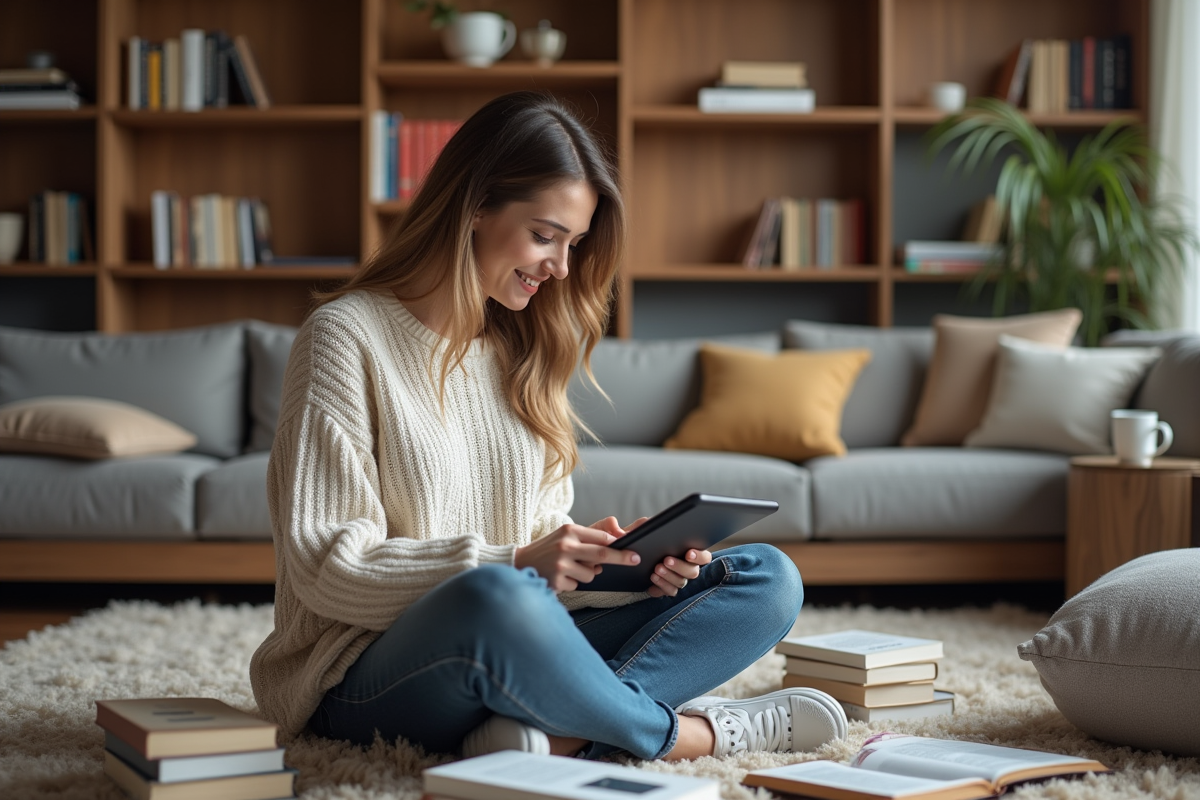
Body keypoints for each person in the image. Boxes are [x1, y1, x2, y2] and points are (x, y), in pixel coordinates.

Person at [249, 91, 847, 762]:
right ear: (473, 206)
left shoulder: (524, 351)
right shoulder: (345, 338)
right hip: (362, 677)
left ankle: (554, 737)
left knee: (766, 578)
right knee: (498, 596)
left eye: (574, 244)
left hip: (516, 639)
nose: (561, 268)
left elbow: (539, 567)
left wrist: (615, 568)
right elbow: (326, 567)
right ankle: (684, 736)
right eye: (545, 235)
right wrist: (518, 565)